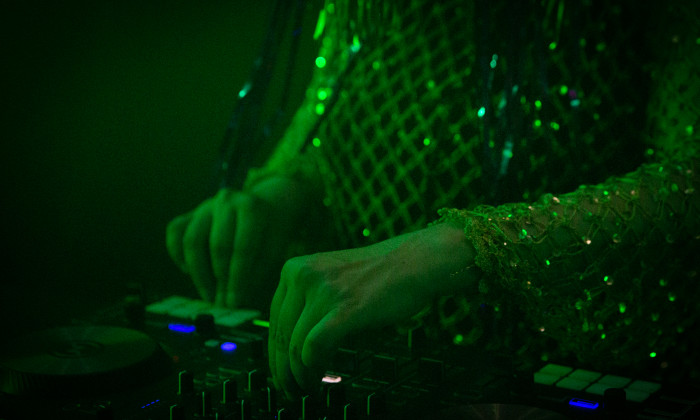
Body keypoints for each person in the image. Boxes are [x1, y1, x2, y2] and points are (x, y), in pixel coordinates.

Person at [167, 0, 699, 399]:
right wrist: (285, 191)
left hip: (561, 375)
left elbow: (689, 181)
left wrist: (459, 247)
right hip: (378, 366)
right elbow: (340, 102)